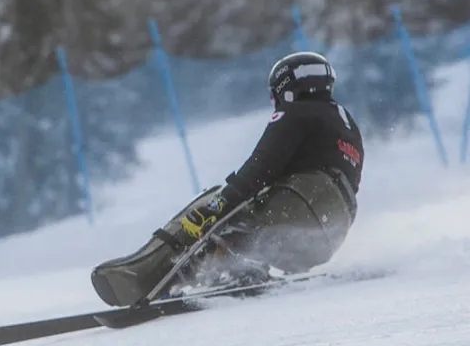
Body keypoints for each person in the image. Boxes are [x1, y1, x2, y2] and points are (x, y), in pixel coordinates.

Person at [92, 51, 364, 308]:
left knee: (216, 215)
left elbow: (260, 168)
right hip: (332, 226)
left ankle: (146, 273)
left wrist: (217, 205)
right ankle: (242, 269)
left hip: (301, 202)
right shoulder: (346, 123)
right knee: (246, 225)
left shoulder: (295, 113)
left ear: (286, 87)